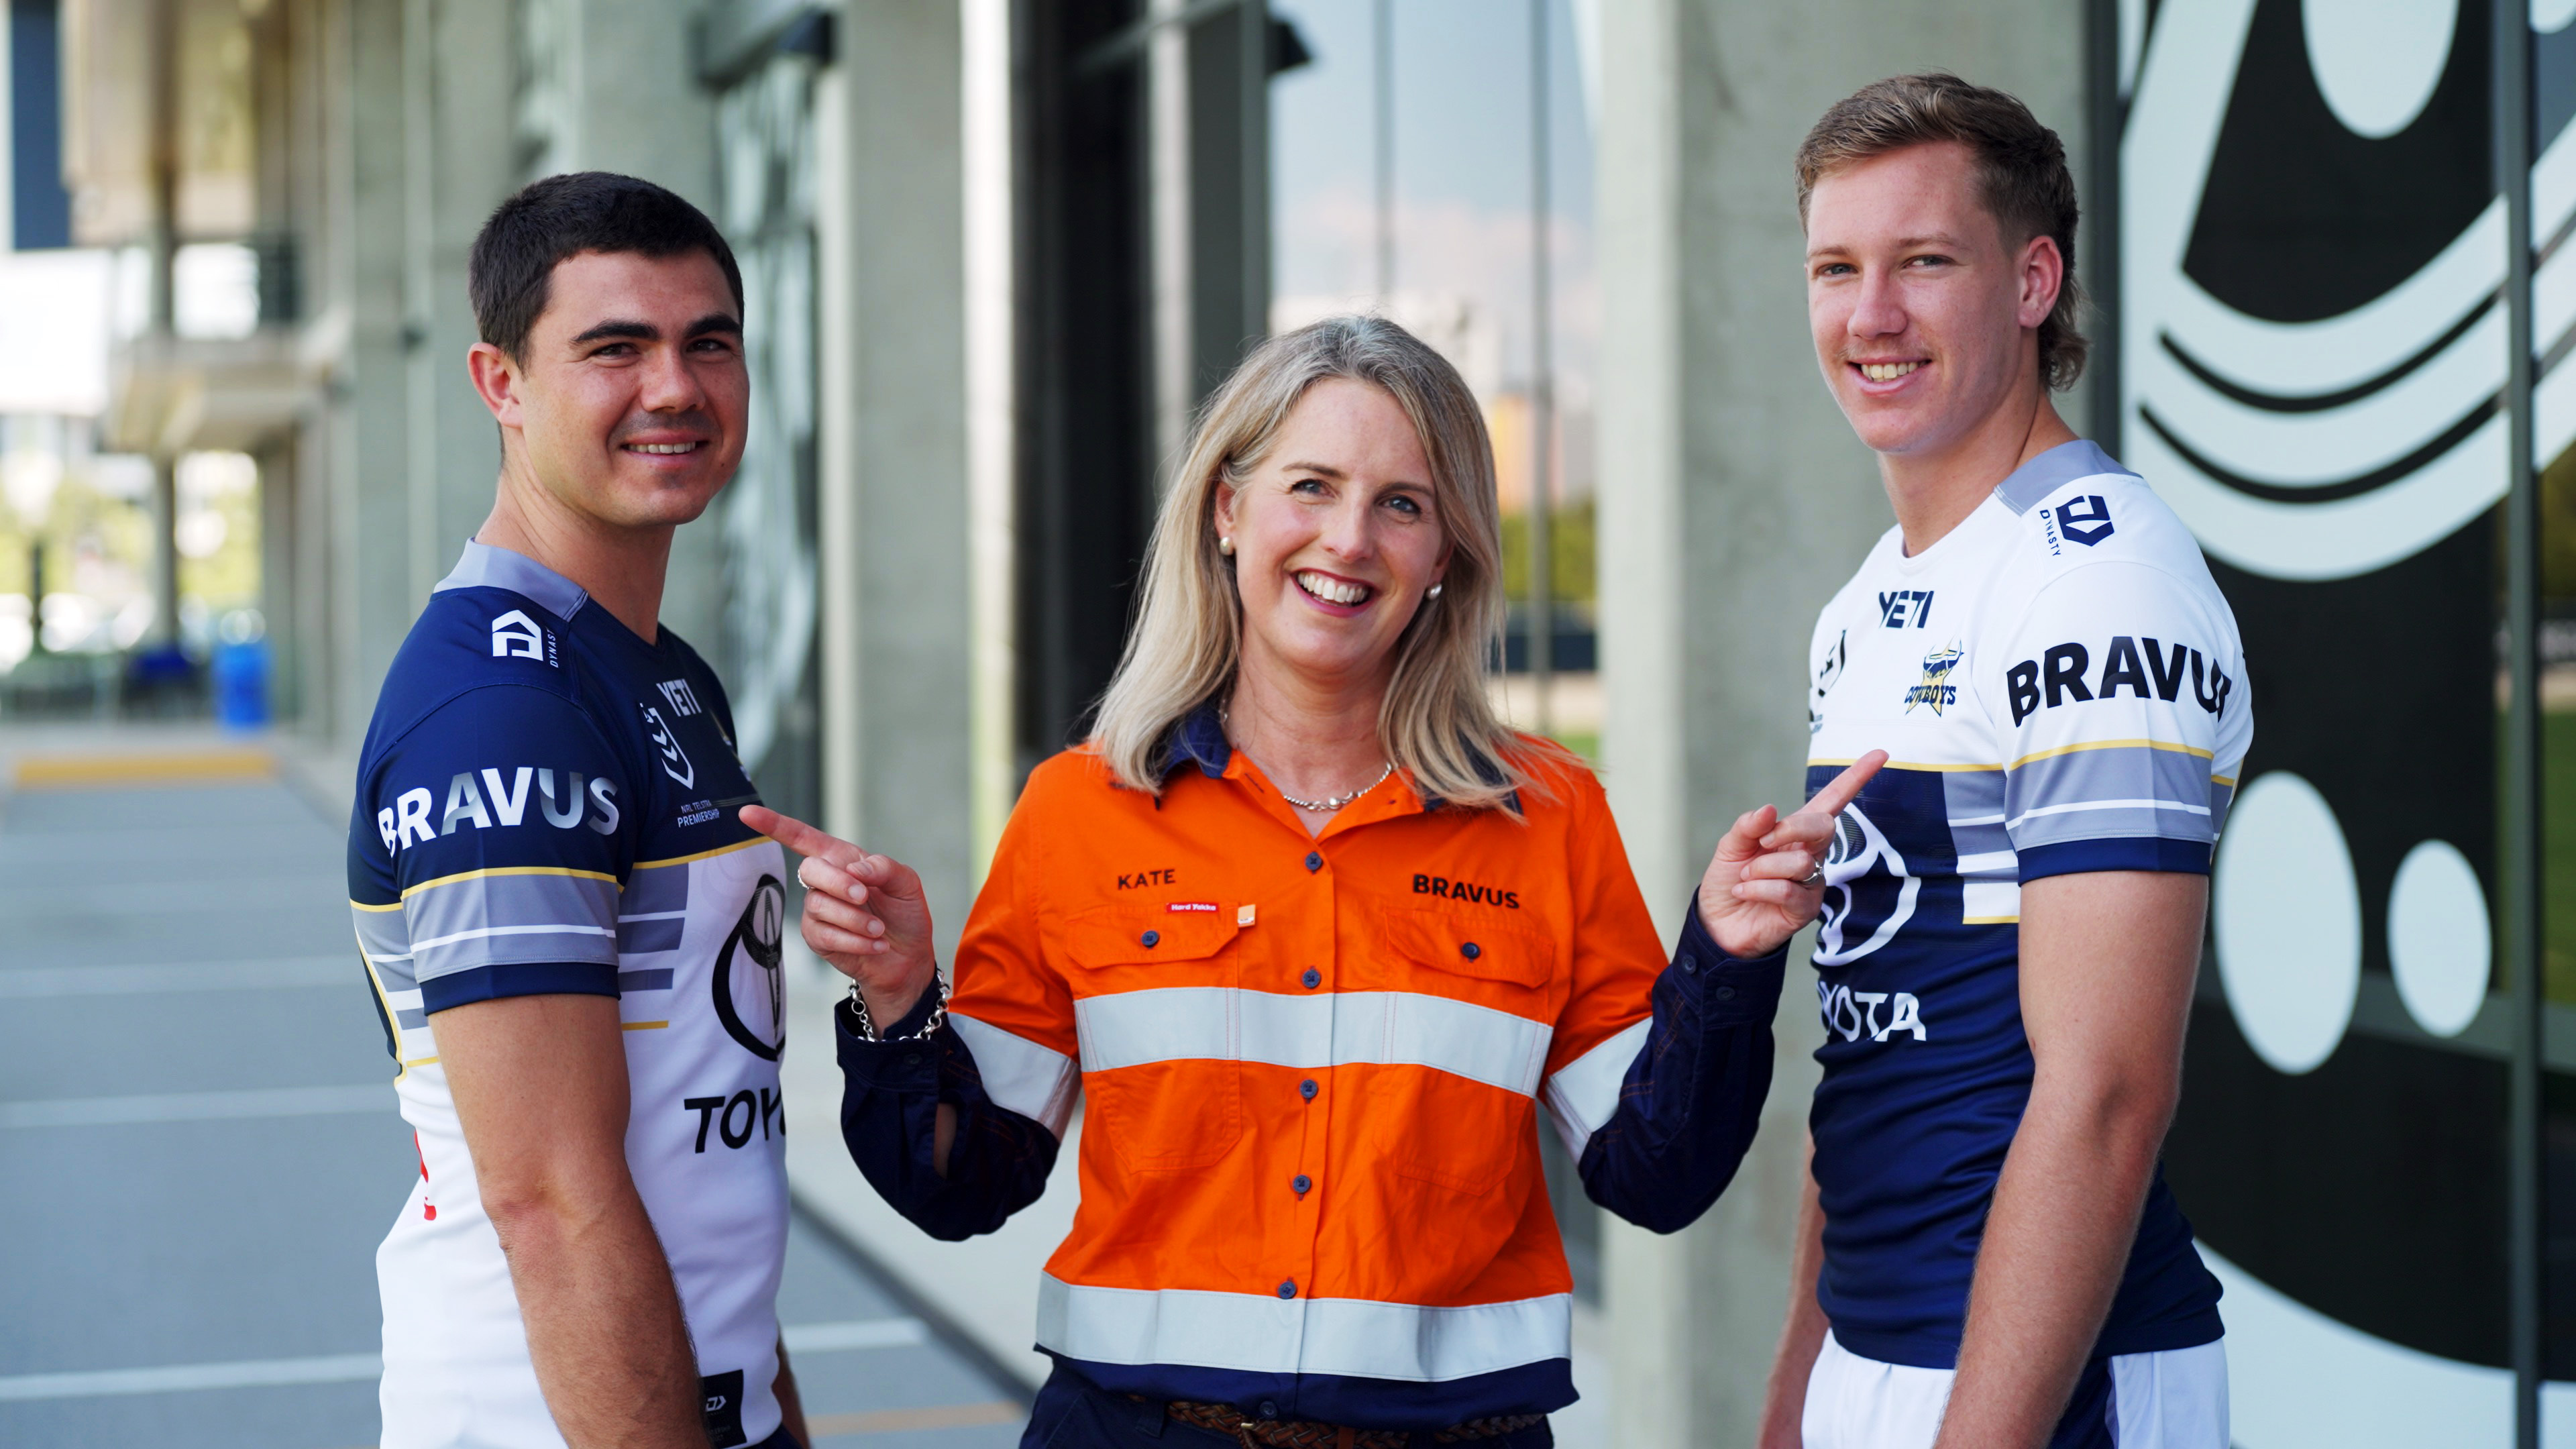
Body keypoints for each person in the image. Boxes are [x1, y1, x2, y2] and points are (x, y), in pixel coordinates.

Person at [748, 315, 1885, 1448]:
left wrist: (1728, 961)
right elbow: (962, 1184)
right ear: (1228, 510)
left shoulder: (1547, 817)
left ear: (1447, 556)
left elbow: (1656, 1171)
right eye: (1311, 486)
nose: (1349, 540)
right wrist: (898, 1002)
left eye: (1403, 503)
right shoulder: (1078, 810)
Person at [1756, 76, 2251, 1449]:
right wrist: (1801, 1385)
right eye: (1837, 269)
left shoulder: (2099, 583)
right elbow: (1866, 1034)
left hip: (2049, 1377)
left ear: (2034, 281)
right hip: (1880, 1346)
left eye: (1925, 262)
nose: (1871, 317)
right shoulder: (1866, 602)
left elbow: (2106, 1094)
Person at [346, 172, 808, 1449]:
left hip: (698, 1396)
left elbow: (700, 1137)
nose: (675, 387)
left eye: (708, 343)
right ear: (501, 384)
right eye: (616, 349)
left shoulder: (652, 664)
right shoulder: (502, 708)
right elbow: (549, 1196)